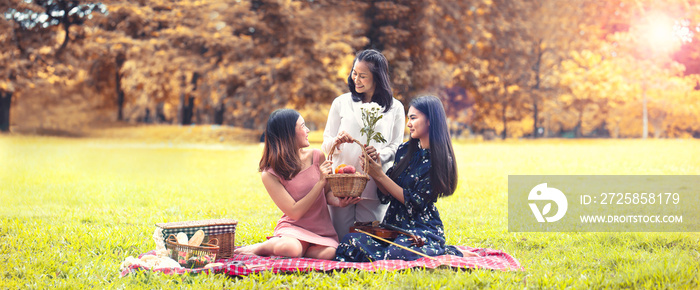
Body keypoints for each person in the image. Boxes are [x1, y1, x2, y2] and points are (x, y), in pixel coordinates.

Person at [334, 96, 478, 262]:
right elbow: (387, 194)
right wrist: (375, 171)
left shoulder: (440, 160)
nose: (408, 123)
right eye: (408, 118)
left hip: (420, 230)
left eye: (413, 118)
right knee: (349, 243)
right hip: (392, 228)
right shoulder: (404, 150)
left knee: (397, 253)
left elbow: (415, 202)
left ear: (430, 120)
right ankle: (391, 254)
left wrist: (380, 174)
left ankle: (445, 251)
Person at [234, 109, 360, 260]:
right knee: (291, 248)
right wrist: (320, 183)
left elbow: (326, 194)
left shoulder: (316, 156)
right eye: (303, 126)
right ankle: (261, 247)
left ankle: (301, 249)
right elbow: (294, 212)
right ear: (288, 133)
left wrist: (339, 202)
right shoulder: (269, 174)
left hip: (321, 230)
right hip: (293, 228)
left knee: (330, 253)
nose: (307, 131)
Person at [322, 49, 406, 239]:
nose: (355, 80)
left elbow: (395, 147)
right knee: (340, 240)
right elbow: (325, 144)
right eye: (354, 73)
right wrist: (337, 142)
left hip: (374, 184)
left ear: (377, 77)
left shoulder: (395, 108)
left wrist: (378, 155)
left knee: (370, 240)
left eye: (362, 76)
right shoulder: (341, 103)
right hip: (342, 184)